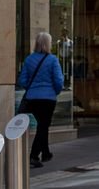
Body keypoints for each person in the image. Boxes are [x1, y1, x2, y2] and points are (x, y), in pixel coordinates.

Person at [15, 32, 66, 169]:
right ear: (48, 44)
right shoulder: (53, 60)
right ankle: (34, 155)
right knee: (43, 126)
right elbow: (59, 80)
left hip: (32, 98)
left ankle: (46, 153)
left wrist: (32, 89)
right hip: (48, 99)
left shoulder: (29, 59)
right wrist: (55, 91)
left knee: (42, 125)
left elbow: (22, 80)